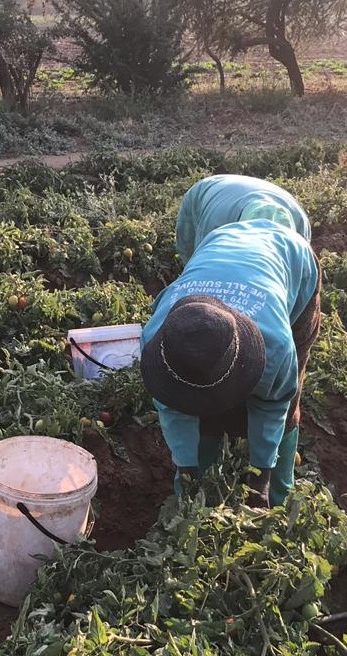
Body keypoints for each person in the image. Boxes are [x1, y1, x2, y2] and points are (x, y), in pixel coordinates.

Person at [141, 181, 320, 509]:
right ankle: (205, 473)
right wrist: (187, 471)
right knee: (201, 395)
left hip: (290, 257)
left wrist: (261, 475)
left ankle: (282, 492)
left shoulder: (276, 347)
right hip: (221, 240)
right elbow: (172, 406)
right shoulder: (160, 337)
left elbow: (272, 404)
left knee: (288, 395)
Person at [175, 174, 311, 264]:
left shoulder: (300, 225)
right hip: (209, 189)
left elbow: (298, 271)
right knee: (194, 259)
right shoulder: (215, 226)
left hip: (264, 191)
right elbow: (206, 261)